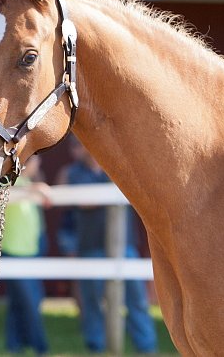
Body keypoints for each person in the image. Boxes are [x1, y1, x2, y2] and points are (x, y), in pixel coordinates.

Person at [57, 136, 157, 354]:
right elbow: (83, 202)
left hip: (125, 246)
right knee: (92, 301)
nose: (86, 147)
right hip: (90, 245)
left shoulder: (119, 170)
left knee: (136, 299)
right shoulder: (74, 173)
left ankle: (147, 345)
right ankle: (96, 345)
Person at [1, 154, 50, 355]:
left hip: (30, 251)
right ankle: (40, 347)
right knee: (31, 302)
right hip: (14, 252)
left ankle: (14, 345)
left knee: (19, 302)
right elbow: (5, 193)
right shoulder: (8, 182)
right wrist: (37, 189)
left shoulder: (29, 182)